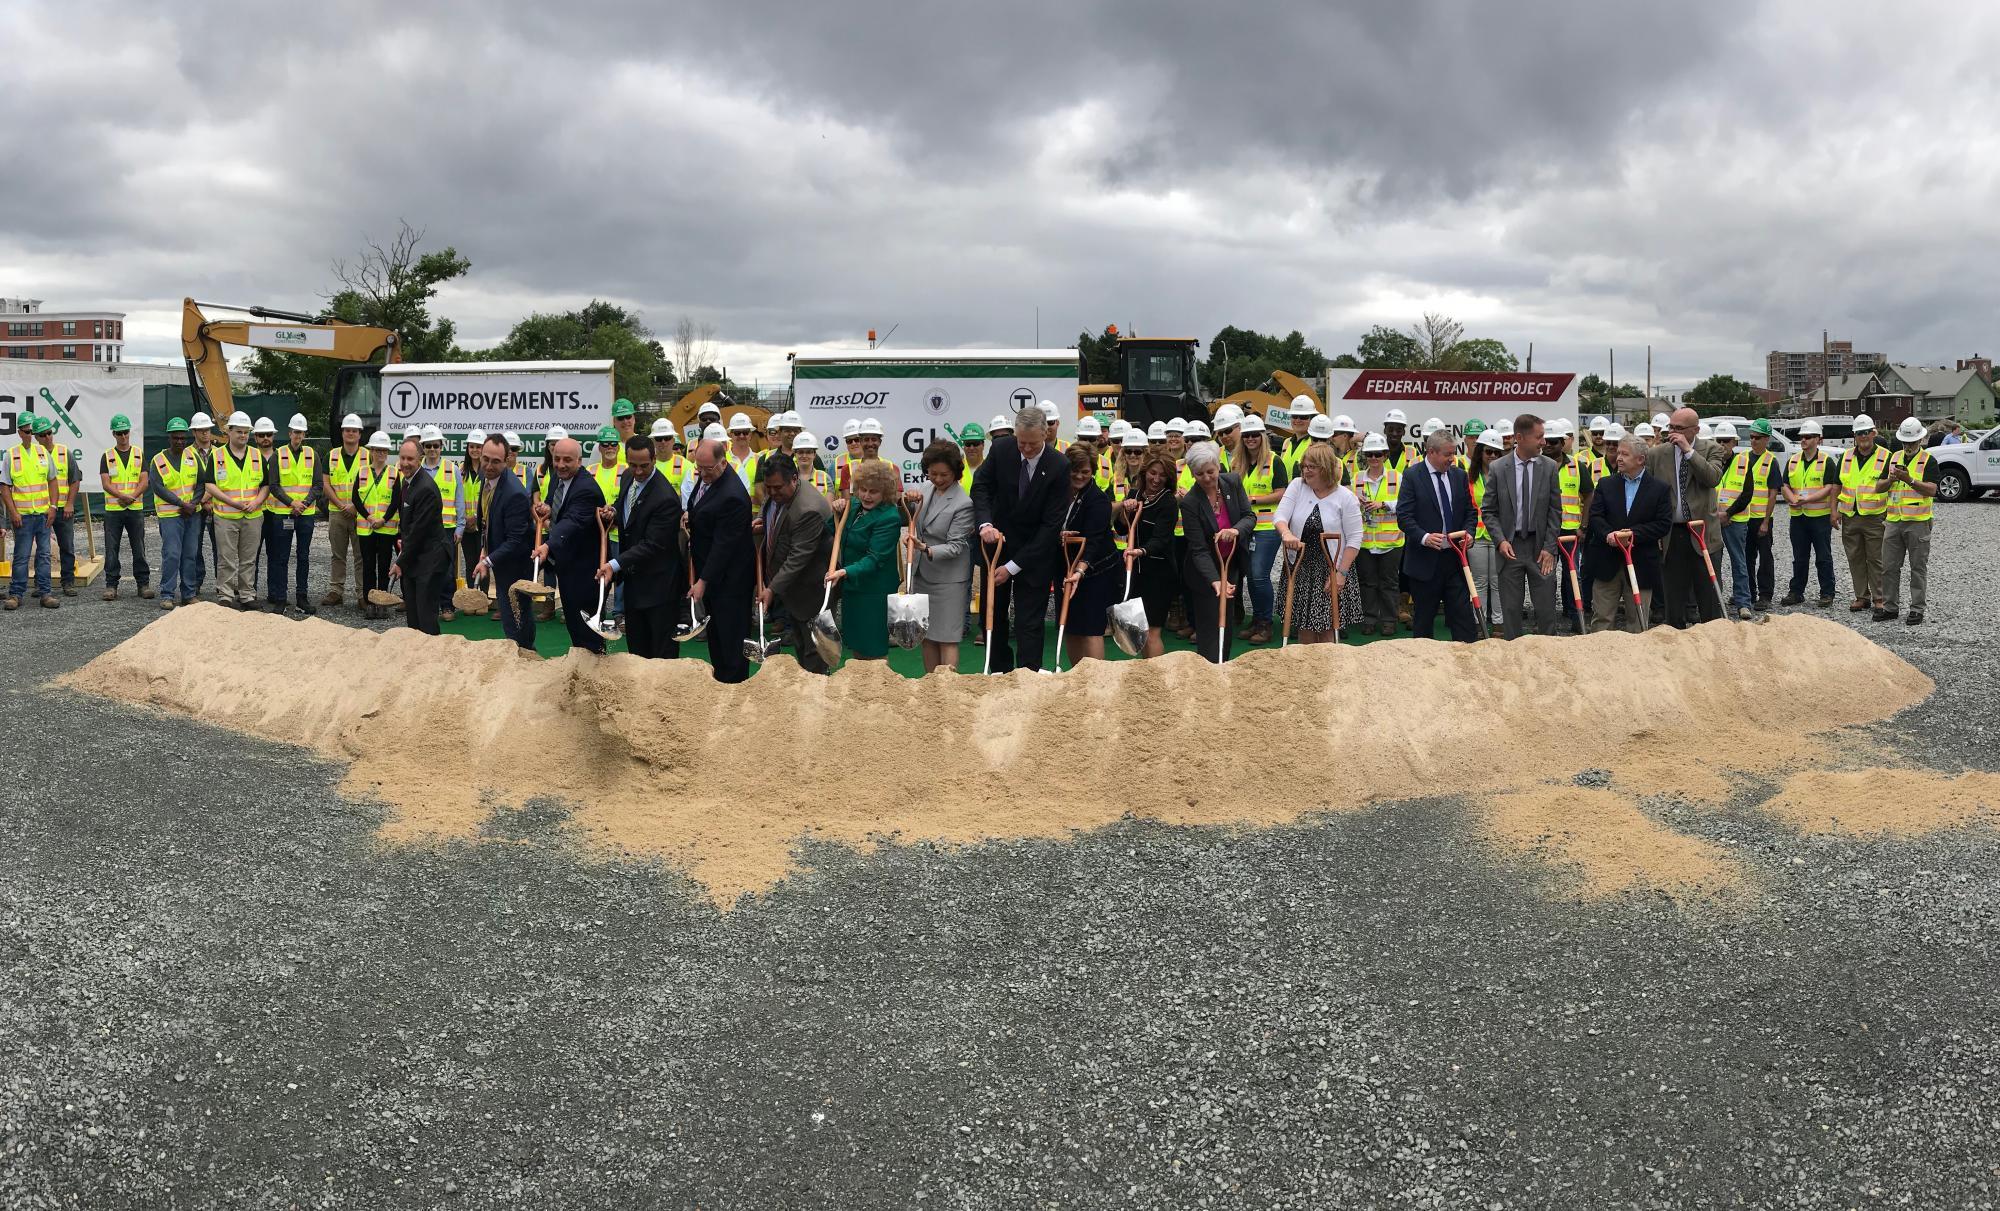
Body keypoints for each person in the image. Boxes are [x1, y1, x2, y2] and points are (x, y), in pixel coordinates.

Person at [970, 404, 1072, 673]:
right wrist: (985, 523)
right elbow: (980, 486)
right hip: (997, 546)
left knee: (1030, 621)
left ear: (1045, 435)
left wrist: (1014, 566)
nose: (1025, 448)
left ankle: (1029, 675)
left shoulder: (1059, 466)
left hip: (1035, 552)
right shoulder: (1002, 449)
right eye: (1021, 442)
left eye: (1031, 444)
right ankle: (999, 671)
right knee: (994, 617)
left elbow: (1051, 525)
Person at [601, 434, 685, 658]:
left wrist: (614, 564)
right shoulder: (629, 476)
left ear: (654, 459)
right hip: (635, 582)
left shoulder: (665, 498)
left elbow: (652, 545)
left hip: (659, 587)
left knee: (661, 651)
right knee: (637, 648)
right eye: (633, 464)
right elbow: (626, 507)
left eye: (644, 466)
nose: (638, 471)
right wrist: (615, 512)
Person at [1393, 431, 1481, 643]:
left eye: (1453, 454)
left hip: (1455, 559)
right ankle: (1423, 671)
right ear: (1431, 452)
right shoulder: (1413, 476)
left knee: (1463, 618)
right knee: (1423, 620)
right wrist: (1423, 537)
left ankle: (1467, 662)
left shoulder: (1459, 475)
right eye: (1447, 454)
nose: (1452, 459)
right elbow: (1404, 516)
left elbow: (1470, 511)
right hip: (1424, 561)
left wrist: (1469, 533)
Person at [1481, 412, 1562, 638]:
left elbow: (1555, 511)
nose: (1544, 442)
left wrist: (1549, 548)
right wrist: (1500, 541)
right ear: (1520, 437)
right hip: (1510, 549)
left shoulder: (1549, 467)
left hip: (1540, 548)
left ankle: (1549, 660)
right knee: (1511, 611)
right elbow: (1488, 511)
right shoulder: (1498, 468)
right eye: (1539, 437)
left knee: (1547, 611)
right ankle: (1513, 662)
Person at [1643, 406, 1727, 627]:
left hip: (1702, 532)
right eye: (1671, 427)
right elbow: (1649, 494)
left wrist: (1689, 451)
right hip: (1672, 533)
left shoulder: (1712, 449)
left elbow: (1712, 478)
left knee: (1707, 594)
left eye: (1679, 428)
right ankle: (1677, 640)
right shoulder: (1656, 454)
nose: (1673, 433)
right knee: (1674, 596)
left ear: (1695, 429)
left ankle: (1713, 639)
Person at [1273, 444, 1362, 644]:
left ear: (1326, 467)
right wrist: (1286, 533)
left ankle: (1329, 670)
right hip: (1302, 565)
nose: (1306, 470)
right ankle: (1307, 670)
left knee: (1327, 626)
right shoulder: (1297, 486)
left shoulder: (1346, 498)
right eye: (1304, 466)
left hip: (1332, 567)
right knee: (1305, 625)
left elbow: (1355, 538)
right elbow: (1280, 515)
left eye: (1312, 466)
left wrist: (1341, 574)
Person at [687, 437, 756, 683]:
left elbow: (723, 546)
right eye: (699, 468)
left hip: (731, 580)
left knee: (731, 637)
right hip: (715, 576)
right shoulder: (709, 479)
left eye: (708, 469)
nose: (703, 473)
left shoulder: (733, 496)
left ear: (723, 462)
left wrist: (703, 581)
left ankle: (734, 685)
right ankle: (721, 679)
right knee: (716, 634)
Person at [1585, 436, 1671, 632]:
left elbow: (1663, 524)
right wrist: (1609, 535)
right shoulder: (1606, 484)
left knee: (1638, 622)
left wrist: (1633, 534)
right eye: (1619, 453)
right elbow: (1595, 516)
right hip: (1607, 562)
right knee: (1602, 620)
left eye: (1625, 454)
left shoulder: (1660, 489)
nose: (1619, 457)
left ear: (1640, 459)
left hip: (1641, 563)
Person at [1177, 442, 1254, 662]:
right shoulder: (1190, 502)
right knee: (1209, 622)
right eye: (1199, 474)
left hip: (1230, 565)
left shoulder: (1233, 482)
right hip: (1205, 573)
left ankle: (1223, 664)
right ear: (1192, 473)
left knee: (1226, 622)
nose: (1207, 478)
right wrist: (1214, 580)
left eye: (1210, 472)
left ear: (1218, 467)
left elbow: (1249, 517)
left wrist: (1235, 530)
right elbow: (1198, 548)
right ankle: (1208, 669)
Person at [530, 437, 608, 654]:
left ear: (579, 461)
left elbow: (571, 522)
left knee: (588, 629)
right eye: (557, 459)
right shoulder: (556, 478)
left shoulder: (586, 489)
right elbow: (554, 506)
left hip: (586, 571)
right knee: (574, 624)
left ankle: (595, 670)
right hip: (567, 566)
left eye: (567, 460)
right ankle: (582, 666)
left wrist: (548, 546)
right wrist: (545, 509)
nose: (561, 465)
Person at [759, 451, 834, 674]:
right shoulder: (782, 492)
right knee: (801, 646)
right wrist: (763, 524)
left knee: (815, 653)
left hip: (812, 589)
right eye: (768, 488)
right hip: (794, 589)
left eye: (777, 488)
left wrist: (772, 589)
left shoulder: (807, 509)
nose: (772, 493)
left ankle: (817, 698)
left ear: (794, 478)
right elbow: (778, 522)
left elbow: (798, 557)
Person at [825, 459, 902, 662]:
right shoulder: (853, 507)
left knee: (874, 648)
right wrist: (837, 510)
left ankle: (879, 691)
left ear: (884, 492)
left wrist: (844, 572)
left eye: (873, 491)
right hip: (853, 589)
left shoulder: (889, 517)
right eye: (863, 489)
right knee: (857, 644)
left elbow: (875, 559)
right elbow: (832, 529)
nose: (866, 496)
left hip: (875, 592)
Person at [907, 440, 974, 674]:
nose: (937, 479)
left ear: (956, 471)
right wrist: (907, 502)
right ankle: (930, 687)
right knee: (927, 635)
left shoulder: (963, 503)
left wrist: (925, 548)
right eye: (932, 473)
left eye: (943, 474)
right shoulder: (925, 490)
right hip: (922, 574)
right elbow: (910, 518)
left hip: (949, 581)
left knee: (947, 637)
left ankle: (947, 690)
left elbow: (956, 547)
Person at [473, 434, 536, 651]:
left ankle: (525, 654)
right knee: (511, 614)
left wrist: (488, 560)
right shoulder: (487, 479)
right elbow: (487, 520)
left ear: (507, 459)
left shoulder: (514, 493)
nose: (489, 465)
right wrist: (485, 549)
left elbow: (515, 541)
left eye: (496, 461)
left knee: (516, 615)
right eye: (486, 459)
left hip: (516, 566)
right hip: (503, 561)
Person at [1057, 444, 1118, 666]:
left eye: (1085, 471)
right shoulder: (1058, 493)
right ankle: (1076, 676)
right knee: (1071, 625)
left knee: (1092, 627)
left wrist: (1080, 571)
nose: (1080, 476)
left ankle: (1095, 680)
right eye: (1075, 470)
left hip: (1094, 571)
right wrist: (1058, 534)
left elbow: (1094, 540)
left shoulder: (1097, 499)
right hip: (1065, 567)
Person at [201, 411, 267, 610]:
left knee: (249, 558)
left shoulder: (257, 455)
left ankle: (247, 595)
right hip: (226, 516)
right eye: (239, 432)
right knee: (226, 558)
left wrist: (256, 502)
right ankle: (226, 595)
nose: (243, 436)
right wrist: (232, 502)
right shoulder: (217, 455)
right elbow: (210, 485)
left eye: (246, 432)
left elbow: (266, 485)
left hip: (253, 515)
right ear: (229, 432)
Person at [1235, 415, 1291, 644]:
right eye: (1246, 435)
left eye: (1254, 435)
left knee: (1259, 575)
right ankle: (1258, 620)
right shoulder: (1238, 463)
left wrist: (1256, 499)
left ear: (1262, 437)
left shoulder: (1274, 461)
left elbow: (1282, 492)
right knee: (1250, 577)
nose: (1250, 439)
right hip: (1245, 528)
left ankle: (1266, 623)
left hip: (1267, 527)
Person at [1717, 419, 1780, 619]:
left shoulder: (1769, 461)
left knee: (1761, 558)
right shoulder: (1739, 458)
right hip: (1736, 518)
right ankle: (1746, 594)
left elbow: (1770, 493)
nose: (1753, 440)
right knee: (1746, 558)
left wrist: (1765, 521)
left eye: (1758, 437)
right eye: (1751, 437)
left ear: (1766, 439)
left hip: (1755, 518)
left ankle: (1763, 595)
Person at [1120, 452, 1181, 657]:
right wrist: (1124, 511)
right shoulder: (1133, 495)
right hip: (1134, 573)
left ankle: (1157, 678)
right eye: (1152, 473)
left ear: (1169, 478)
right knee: (1138, 630)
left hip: (1159, 574)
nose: (1156, 479)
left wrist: (1141, 551)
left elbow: (1161, 539)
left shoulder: (1168, 502)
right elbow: (1120, 528)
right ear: (1145, 473)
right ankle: (1146, 675)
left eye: (1162, 475)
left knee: (1152, 631)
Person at [1878, 416, 1937, 625]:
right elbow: (1878, 487)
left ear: (1920, 440)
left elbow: (1932, 489)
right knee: (1888, 567)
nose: (1908, 446)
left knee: (1917, 568)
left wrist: (1909, 480)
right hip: (1894, 521)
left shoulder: (1928, 460)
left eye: (1912, 442)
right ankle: (1890, 607)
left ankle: (1917, 609)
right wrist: (1890, 479)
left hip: (1918, 522)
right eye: (1905, 442)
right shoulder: (1893, 458)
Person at [385, 439, 447, 635]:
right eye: (402, 458)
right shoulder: (406, 481)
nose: (405, 463)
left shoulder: (426, 489)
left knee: (425, 617)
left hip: (430, 560)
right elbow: (409, 527)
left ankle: (431, 659)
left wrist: (400, 561)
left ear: (419, 459)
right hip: (414, 558)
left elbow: (419, 533)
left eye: (410, 459)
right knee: (412, 616)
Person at [1833, 413, 1891, 615]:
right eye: (1859, 433)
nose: (1863, 436)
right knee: (1855, 557)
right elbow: (1837, 485)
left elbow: (1892, 488)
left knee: (1876, 558)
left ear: (1874, 433)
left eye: (1866, 432)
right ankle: (1861, 597)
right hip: (1850, 515)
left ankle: (1879, 598)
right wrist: (1834, 511)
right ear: (1854, 436)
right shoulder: (1846, 456)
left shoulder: (1886, 456)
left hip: (1875, 517)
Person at [261, 413, 318, 616]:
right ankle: (281, 599)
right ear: (289, 433)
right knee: (281, 557)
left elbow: (317, 485)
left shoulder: (312, 454)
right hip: (283, 514)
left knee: (303, 556)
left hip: (305, 514)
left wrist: (304, 503)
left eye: (301, 432)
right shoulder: (278, 455)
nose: (298, 436)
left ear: (304, 434)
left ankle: (301, 597)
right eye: (295, 432)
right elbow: (274, 486)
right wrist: (291, 503)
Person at [1778, 419, 1839, 608]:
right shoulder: (1793, 460)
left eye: (1808, 437)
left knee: (1823, 557)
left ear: (1818, 439)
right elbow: (1785, 485)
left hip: (1819, 517)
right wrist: (1791, 498)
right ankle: (1796, 592)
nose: (1803, 440)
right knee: (1800, 557)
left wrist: (1808, 500)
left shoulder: (1826, 462)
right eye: (1802, 437)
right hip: (1798, 518)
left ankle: (1827, 593)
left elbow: (1830, 487)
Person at [2, 415, 58, 609]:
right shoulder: (11, 455)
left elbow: (52, 480)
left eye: (32, 432)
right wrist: (13, 513)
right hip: (23, 517)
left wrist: (53, 507)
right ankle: (16, 594)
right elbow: (5, 487)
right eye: (27, 432)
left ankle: (45, 593)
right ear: (19, 432)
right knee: (21, 556)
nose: (31, 435)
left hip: (42, 515)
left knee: (43, 555)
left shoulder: (43, 452)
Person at [98, 412, 152, 601]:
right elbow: (106, 483)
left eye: (126, 432)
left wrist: (132, 497)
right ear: (114, 434)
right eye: (119, 433)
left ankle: (143, 584)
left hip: (134, 508)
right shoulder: (107, 456)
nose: (123, 436)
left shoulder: (138, 453)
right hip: (114, 510)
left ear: (130, 432)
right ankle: (111, 586)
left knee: (139, 547)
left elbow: (144, 481)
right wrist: (123, 496)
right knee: (111, 549)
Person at [150, 417, 203, 609]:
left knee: (190, 554)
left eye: (182, 437)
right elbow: (158, 487)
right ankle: (167, 594)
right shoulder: (159, 460)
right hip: (170, 515)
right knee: (172, 554)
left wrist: (193, 503)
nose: (180, 441)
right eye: (176, 438)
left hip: (192, 514)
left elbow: (202, 483)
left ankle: (188, 594)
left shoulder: (193, 457)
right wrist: (182, 503)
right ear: (169, 438)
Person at [321, 414, 368, 608]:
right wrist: (341, 505)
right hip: (337, 512)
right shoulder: (331, 456)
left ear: (359, 434)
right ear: (342, 433)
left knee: (361, 555)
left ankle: (362, 593)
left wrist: (356, 507)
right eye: (347, 430)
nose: (351, 433)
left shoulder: (368, 455)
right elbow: (325, 483)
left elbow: (374, 484)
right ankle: (336, 591)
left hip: (360, 513)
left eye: (354, 430)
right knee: (337, 554)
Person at [353, 431, 399, 620]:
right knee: (368, 566)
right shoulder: (362, 472)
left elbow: (396, 501)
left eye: (384, 450)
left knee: (384, 567)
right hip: (366, 528)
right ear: (371, 451)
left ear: (387, 452)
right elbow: (355, 498)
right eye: (377, 450)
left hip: (386, 528)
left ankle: (383, 603)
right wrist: (370, 517)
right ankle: (370, 602)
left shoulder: (395, 473)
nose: (380, 454)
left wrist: (383, 519)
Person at [1464, 425, 1505, 632]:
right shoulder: (1469, 477)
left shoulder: (1506, 476)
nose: (1492, 455)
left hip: (1499, 537)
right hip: (1477, 537)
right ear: (1480, 451)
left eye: (1497, 452)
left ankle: (1498, 624)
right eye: (1488, 451)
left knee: (1498, 582)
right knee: (1479, 582)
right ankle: (1479, 623)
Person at [459, 428, 487, 607]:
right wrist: (465, 519)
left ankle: (483, 599)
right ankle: (471, 600)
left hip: (484, 525)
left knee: (483, 561)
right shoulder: (461, 470)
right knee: (470, 562)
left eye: (478, 446)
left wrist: (476, 517)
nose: (475, 450)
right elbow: (458, 497)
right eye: (472, 446)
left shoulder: (488, 470)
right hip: (467, 526)